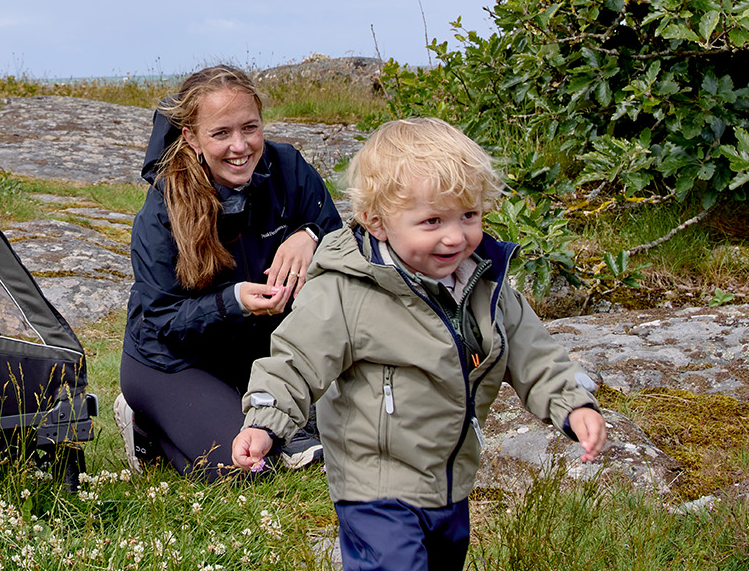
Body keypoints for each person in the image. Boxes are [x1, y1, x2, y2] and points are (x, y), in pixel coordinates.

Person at [231, 117, 607, 570]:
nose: (455, 236)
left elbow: (532, 351)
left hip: (449, 481)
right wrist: (265, 422)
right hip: (374, 487)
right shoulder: (347, 290)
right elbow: (295, 360)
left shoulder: (484, 283)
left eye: (469, 215)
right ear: (377, 222)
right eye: (432, 221)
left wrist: (573, 404)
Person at [116, 65, 343, 482]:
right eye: (221, 133)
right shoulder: (162, 210)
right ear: (191, 137)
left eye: (250, 128)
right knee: (246, 468)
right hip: (174, 361)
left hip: (257, 353)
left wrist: (309, 234)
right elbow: (164, 318)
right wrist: (233, 300)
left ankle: (254, 409)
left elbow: (340, 240)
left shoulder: (287, 167)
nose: (239, 146)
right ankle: (145, 422)